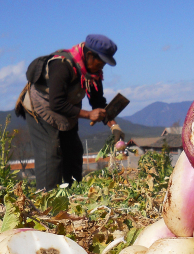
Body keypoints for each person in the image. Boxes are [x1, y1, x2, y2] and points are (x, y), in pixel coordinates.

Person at [18, 34, 125, 190]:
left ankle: (72, 195)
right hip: (41, 109)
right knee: (50, 154)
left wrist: (114, 126)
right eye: (101, 63)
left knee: (74, 151)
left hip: (68, 110)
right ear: (89, 55)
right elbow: (56, 103)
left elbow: (98, 103)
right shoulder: (61, 65)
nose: (102, 67)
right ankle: (46, 200)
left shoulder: (93, 74)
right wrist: (88, 114)